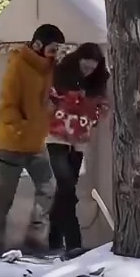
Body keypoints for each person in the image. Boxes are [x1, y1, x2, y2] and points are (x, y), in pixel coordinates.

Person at [0, 23, 64, 259]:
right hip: (13, 143)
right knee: (4, 196)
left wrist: (50, 108)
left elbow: (41, 100)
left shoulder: (48, 68)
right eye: (53, 47)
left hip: (36, 143)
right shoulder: (18, 65)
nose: (55, 52)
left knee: (48, 187)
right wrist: (23, 127)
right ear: (38, 45)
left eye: (57, 48)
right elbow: (7, 106)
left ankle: (35, 240)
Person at [46, 42, 109, 258]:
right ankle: (73, 243)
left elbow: (99, 111)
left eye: (92, 69)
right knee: (67, 189)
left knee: (64, 190)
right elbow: (48, 100)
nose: (88, 72)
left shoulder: (98, 83)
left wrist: (95, 112)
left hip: (79, 141)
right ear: (78, 61)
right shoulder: (61, 73)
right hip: (56, 137)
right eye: (85, 68)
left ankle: (53, 237)